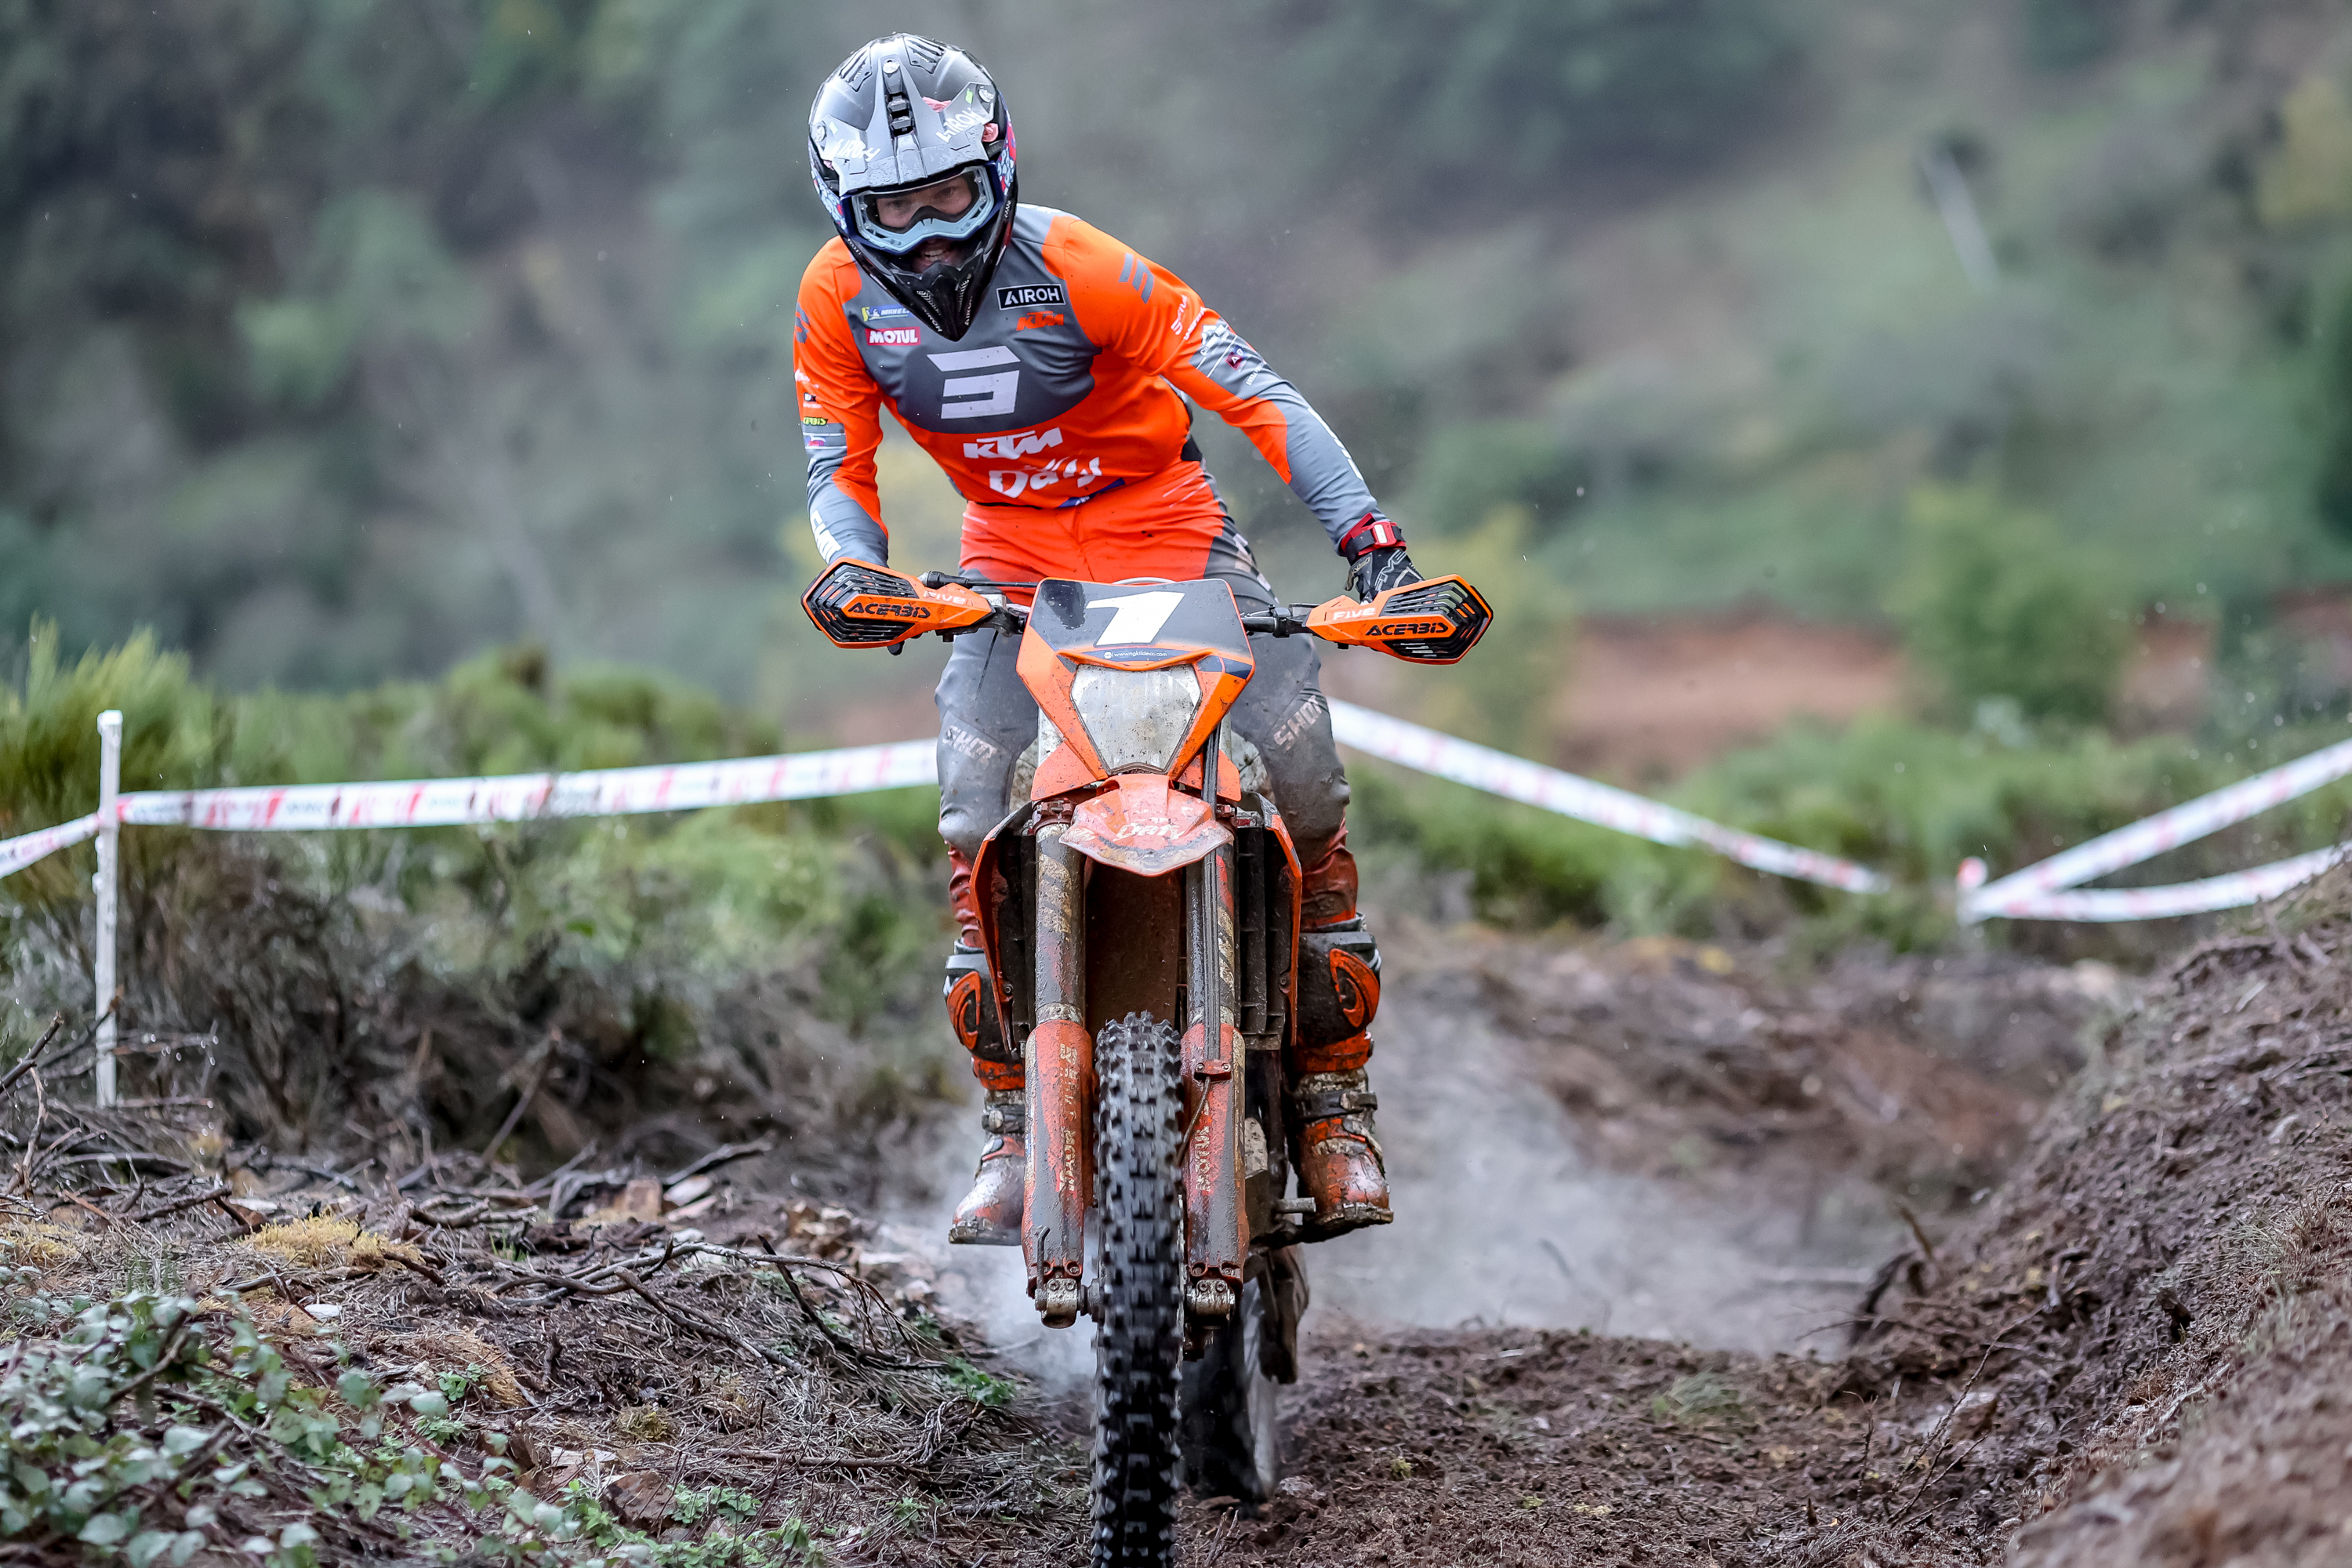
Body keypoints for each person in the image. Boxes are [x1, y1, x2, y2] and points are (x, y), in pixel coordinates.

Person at [795, 34, 1425, 1247]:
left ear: (998, 170)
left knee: (1301, 781)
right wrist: (855, 570)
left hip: (1173, 536)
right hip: (1007, 565)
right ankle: (1009, 1124)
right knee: (975, 818)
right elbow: (838, 464)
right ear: (845, 208)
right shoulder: (837, 300)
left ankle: (1335, 1101)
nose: (930, 238)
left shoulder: (1080, 266)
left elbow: (1257, 393)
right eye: (895, 210)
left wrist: (1372, 544)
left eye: (950, 197)